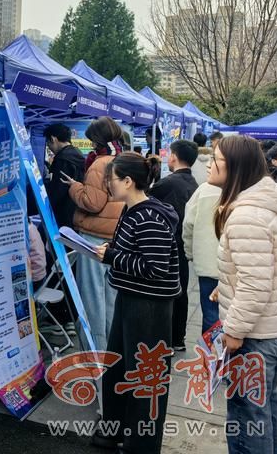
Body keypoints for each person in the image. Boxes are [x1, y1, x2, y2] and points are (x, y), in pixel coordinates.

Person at [94, 153, 180, 454]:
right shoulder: (133, 210)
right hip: (130, 297)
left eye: (111, 179)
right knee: (118, 368)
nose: (107, 184)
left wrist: (112, 256)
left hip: (149, 305)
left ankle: (141, 444)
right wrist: (114, 250)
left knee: (145, 376)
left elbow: (155, 268)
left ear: (128, 181)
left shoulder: (149, 216)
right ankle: (113, 430)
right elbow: (135, 252)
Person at [207, 135, 277, 454]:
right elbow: (264, 268)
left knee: (248, 417)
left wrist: (235, 330)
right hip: (270, 329)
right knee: (265, 409)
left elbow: (255, 283)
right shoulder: (264, 202)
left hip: (255, 335)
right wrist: (226, 284)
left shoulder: (246, 215)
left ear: (235, 167)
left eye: (215, 160)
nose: (209, 165)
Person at [62, 116, 124, 351]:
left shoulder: (100, 164)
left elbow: (93, 202)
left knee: (92, 300)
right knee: (110, 299)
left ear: (96, 139)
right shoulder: (123, 158)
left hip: (94, 239)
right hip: (115, 237)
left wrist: (75, 187)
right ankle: (110, 349)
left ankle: (94, 352)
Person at [148, 139, 199, 351]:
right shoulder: (194, 183)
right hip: (183, 245)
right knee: (181, 291)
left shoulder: (167, 184)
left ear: (175, 157)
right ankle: (178, 338)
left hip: (167, 245)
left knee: (165, 292)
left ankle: (165, 339)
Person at [182, 180, 221, 335]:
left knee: (211, 315)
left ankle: (212, 350)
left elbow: (188, 224)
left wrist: (190, 253)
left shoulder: (205, 189)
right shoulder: (246, 186)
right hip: (239, 267)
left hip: (208, 263)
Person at [42, 123, 85, 230]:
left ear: (53, 139)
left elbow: (57, 190)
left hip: (63, 213)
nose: (49, 147)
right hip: (76, 210)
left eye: (48, 143)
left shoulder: (62, 159)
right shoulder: (77, 153)